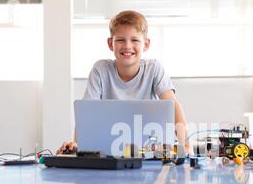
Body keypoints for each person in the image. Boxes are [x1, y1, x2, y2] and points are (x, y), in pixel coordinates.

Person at [57, 10, 192, 155]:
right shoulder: (100, 70)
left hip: (150, 149)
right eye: (121, 40)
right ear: (110, 44)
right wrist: (78, 144)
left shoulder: (154, 69)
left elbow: (172, 106)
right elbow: (86, 114)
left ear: (146, 44)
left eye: (134, 40)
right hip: (111, 148)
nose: (127, 46)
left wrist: (186, 144)